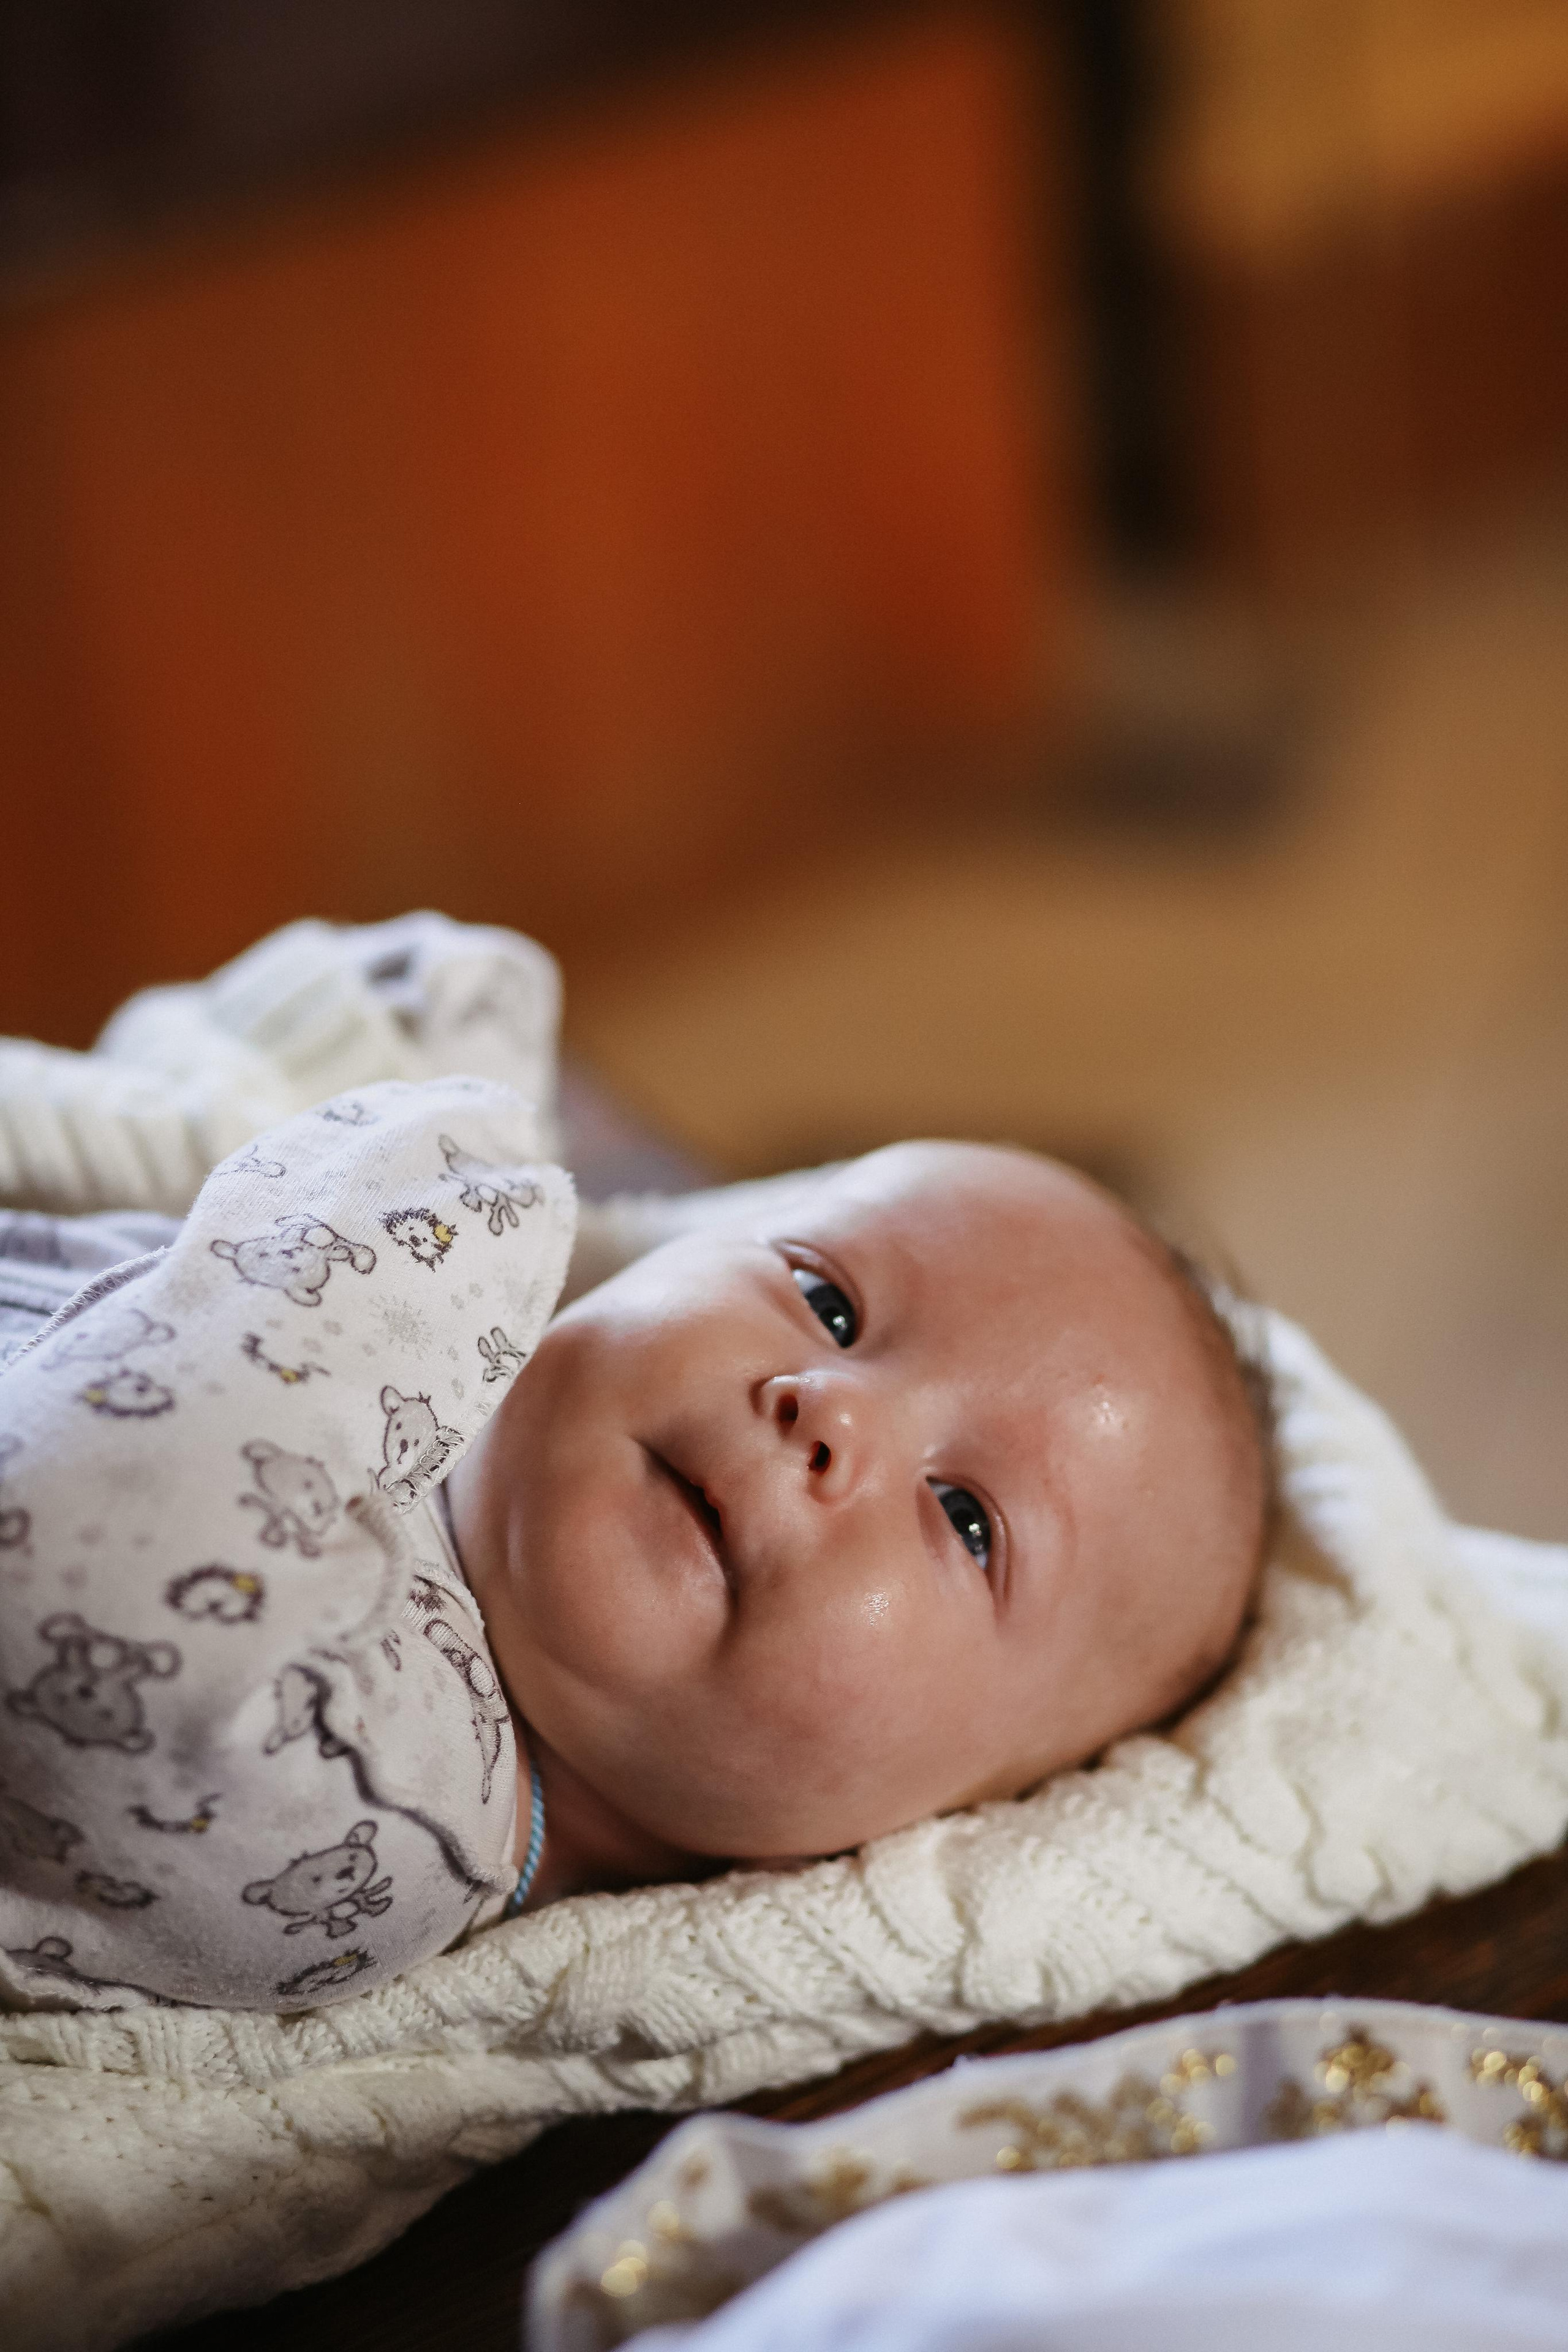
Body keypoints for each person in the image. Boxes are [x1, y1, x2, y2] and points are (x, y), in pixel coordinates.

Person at [0, 949, 1268, 2015]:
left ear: (939, 1822)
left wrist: (429, 1180)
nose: (827, 1411)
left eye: (966, 1518)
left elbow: (80, 1561)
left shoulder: (373, 1815)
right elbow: (414, 984)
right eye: (826, 1299)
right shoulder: (472, 1345)